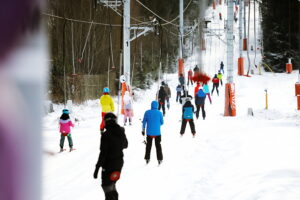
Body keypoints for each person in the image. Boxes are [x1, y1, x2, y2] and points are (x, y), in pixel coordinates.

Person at [93, 112, 128, 200]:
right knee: (112, 185)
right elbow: (125, 145)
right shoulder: (120, 131)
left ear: (106, 121)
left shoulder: (105, 135)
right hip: (119, 164)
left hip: (108, 165)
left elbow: (103, 153)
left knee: (107, 187)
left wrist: (97, 167)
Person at [142, 101, 164, 165]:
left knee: (148, 146)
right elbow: (162, 122)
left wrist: (143, 130)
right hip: (157, 133)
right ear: (157, 106)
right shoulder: (160, 113)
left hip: (149, 133)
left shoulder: (147, 112)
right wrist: (157, 124)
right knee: (158, 146)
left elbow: (144, 122)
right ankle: (160, 159)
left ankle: (147, 158)